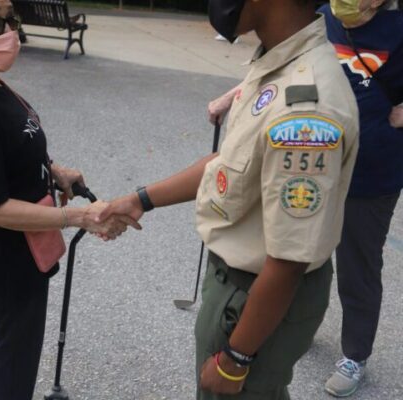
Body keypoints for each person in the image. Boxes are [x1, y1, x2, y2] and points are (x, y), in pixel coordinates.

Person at [98, 0, 360, 398]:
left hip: (254, 302)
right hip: (241, 291)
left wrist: (236, 359)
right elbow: (230, 162)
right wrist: (141, 200)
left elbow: (289, 259)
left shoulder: (305, 107)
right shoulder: (278, 62)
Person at [0, 1, 139, 399]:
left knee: (0, 318)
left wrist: (52, 168)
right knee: (13, 342)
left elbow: (5, 144)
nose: (8, 31)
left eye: (9, 18)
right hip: (1, 245)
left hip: (14, 238)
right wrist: (79, 217)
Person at [316, 0, 403, 396]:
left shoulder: (398, 25)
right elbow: (282, 65)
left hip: (375, 170)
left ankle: (355, 354)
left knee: (357, 265)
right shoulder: (321, 16)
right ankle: (297, 326)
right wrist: (235, 96)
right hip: (314, 162)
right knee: (302, 253)